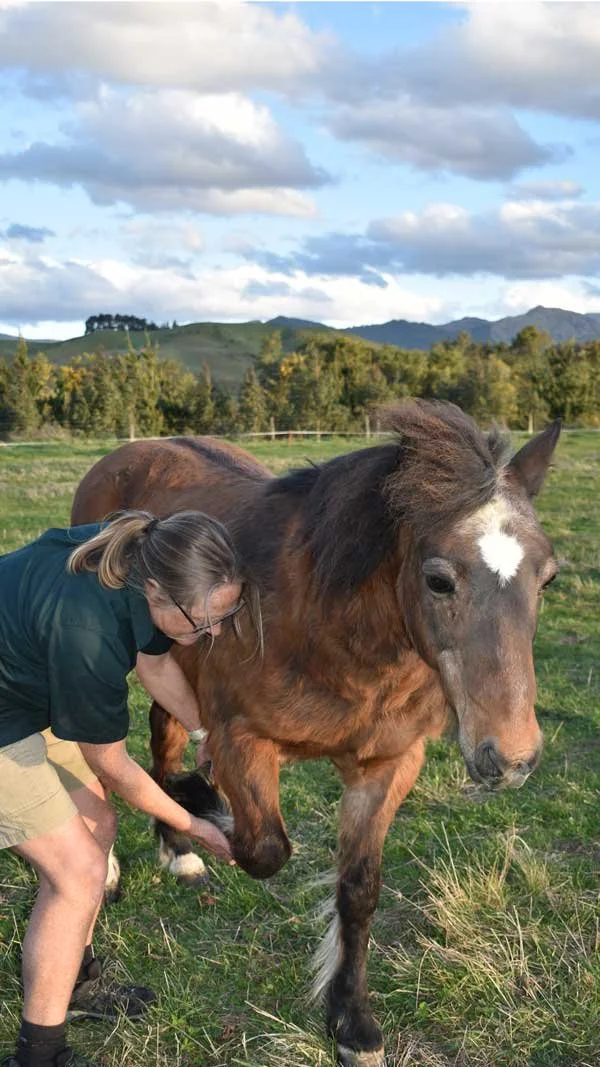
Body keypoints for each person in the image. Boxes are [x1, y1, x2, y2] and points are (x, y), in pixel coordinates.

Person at [0, 510, 256, 1067]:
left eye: (225, 614)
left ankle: (77, 984)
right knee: (78, 874)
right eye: (202, 620)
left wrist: (203, 730)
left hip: (27, 691)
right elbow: (113, 765)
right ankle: (37, 1054)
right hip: (4, 716)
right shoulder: (87, 629)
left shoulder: (143, 559)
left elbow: (155, 661)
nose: (212, 633)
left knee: (98, 827)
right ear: (157, 591)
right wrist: (194, 829)